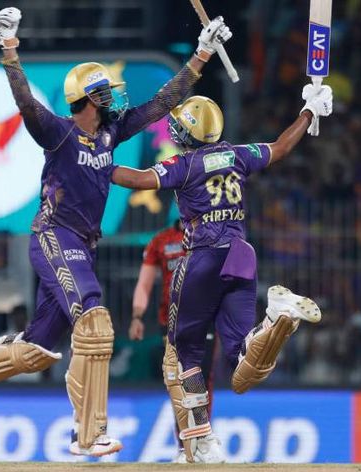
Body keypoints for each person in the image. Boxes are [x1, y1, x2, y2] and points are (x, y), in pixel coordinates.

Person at [0, 6, 233, 458]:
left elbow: (161, 102)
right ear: (87, 99)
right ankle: (88, 434)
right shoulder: (57, 132)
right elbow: (25, 103)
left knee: (37, 350)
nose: (113, 100)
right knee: (95, 323)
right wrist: (9, 46)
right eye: (104, 94)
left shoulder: (109, 134)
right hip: (54, 236)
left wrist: (202, 53)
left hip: (82, 245)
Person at [110, 85, 333, 462]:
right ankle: (274, 320)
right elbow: (280, 147)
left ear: (189, 133)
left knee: (184, 351)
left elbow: (136, 180)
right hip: (242, 255)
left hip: (203, 257)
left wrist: (93, 161)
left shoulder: (185, 165)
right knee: (242, 365)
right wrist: (309, 112)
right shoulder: (237, 154)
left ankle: (203, 441)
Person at [128, 219, 216, 461]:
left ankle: (204, 443)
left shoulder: (211, 235)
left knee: (201, 381)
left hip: (203, 319)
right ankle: (185, 447)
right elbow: (144, 284)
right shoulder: (161, 241)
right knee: (177, 384)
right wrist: (137, 316)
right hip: (171, 322)